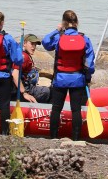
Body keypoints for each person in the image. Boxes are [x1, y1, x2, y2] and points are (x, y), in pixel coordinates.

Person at [42, 10, 95, 140]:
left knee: (56, 109)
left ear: (64, 23)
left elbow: (45, 42)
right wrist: (87, 77)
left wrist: (56, 29)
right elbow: (90, 64)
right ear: (77, 23)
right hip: (78, 79)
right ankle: (76, 138)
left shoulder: (59, 38)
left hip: (60, 79)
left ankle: (53, 137)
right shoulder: (84, 39)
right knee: (76, 110)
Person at [12, 33, 51, 103]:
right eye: (31, 44)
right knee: (46, 91)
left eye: (35, 45)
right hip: (22, 90)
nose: (34, 47)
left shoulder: (23, 54)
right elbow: (15, 74)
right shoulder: (23, 57)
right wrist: (24, 93)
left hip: (22, 88)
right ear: (24, 43)